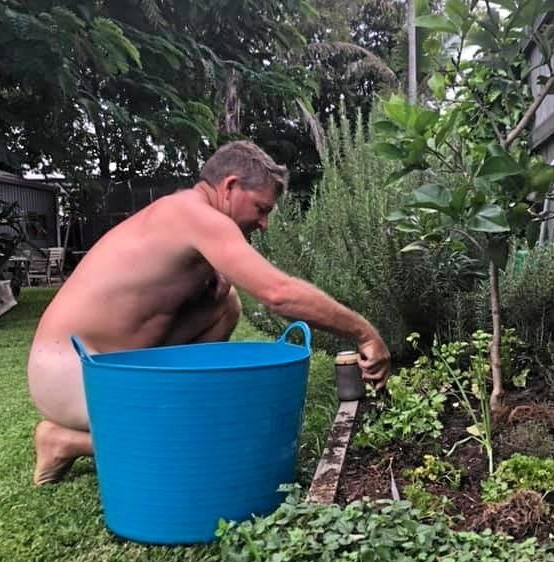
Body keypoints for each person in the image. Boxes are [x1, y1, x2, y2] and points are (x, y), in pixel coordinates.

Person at [27, 140, 391, 486]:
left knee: (224, 303)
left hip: (115, 364)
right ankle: (63, 441)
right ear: (229, 187)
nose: (264, 224)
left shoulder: (189, 217)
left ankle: (173, 403)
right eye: (261, 209)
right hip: (65, 370)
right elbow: (278, 293)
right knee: (206, 433)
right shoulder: (194, 215)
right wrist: (364, 333)